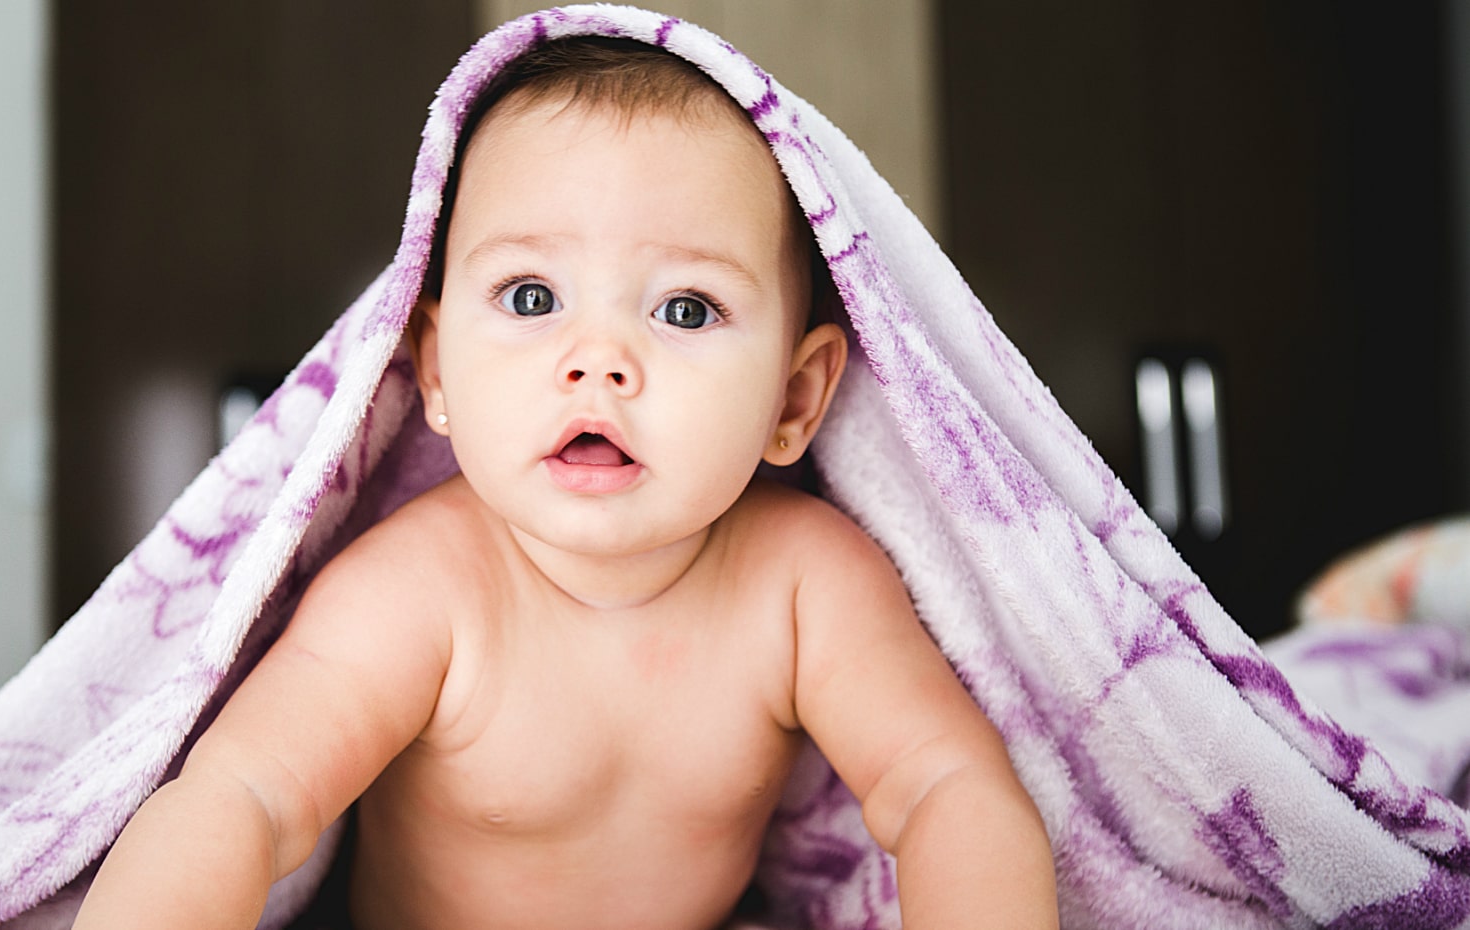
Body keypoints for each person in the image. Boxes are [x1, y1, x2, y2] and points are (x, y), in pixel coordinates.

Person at [75, 36, 1057, 930]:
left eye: (684, 308)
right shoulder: (421, 588)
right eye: (532, 297)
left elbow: (948, 790)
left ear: (793, 401)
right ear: (440, 371)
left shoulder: (805, 585)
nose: (599, 360)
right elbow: (243, 797)